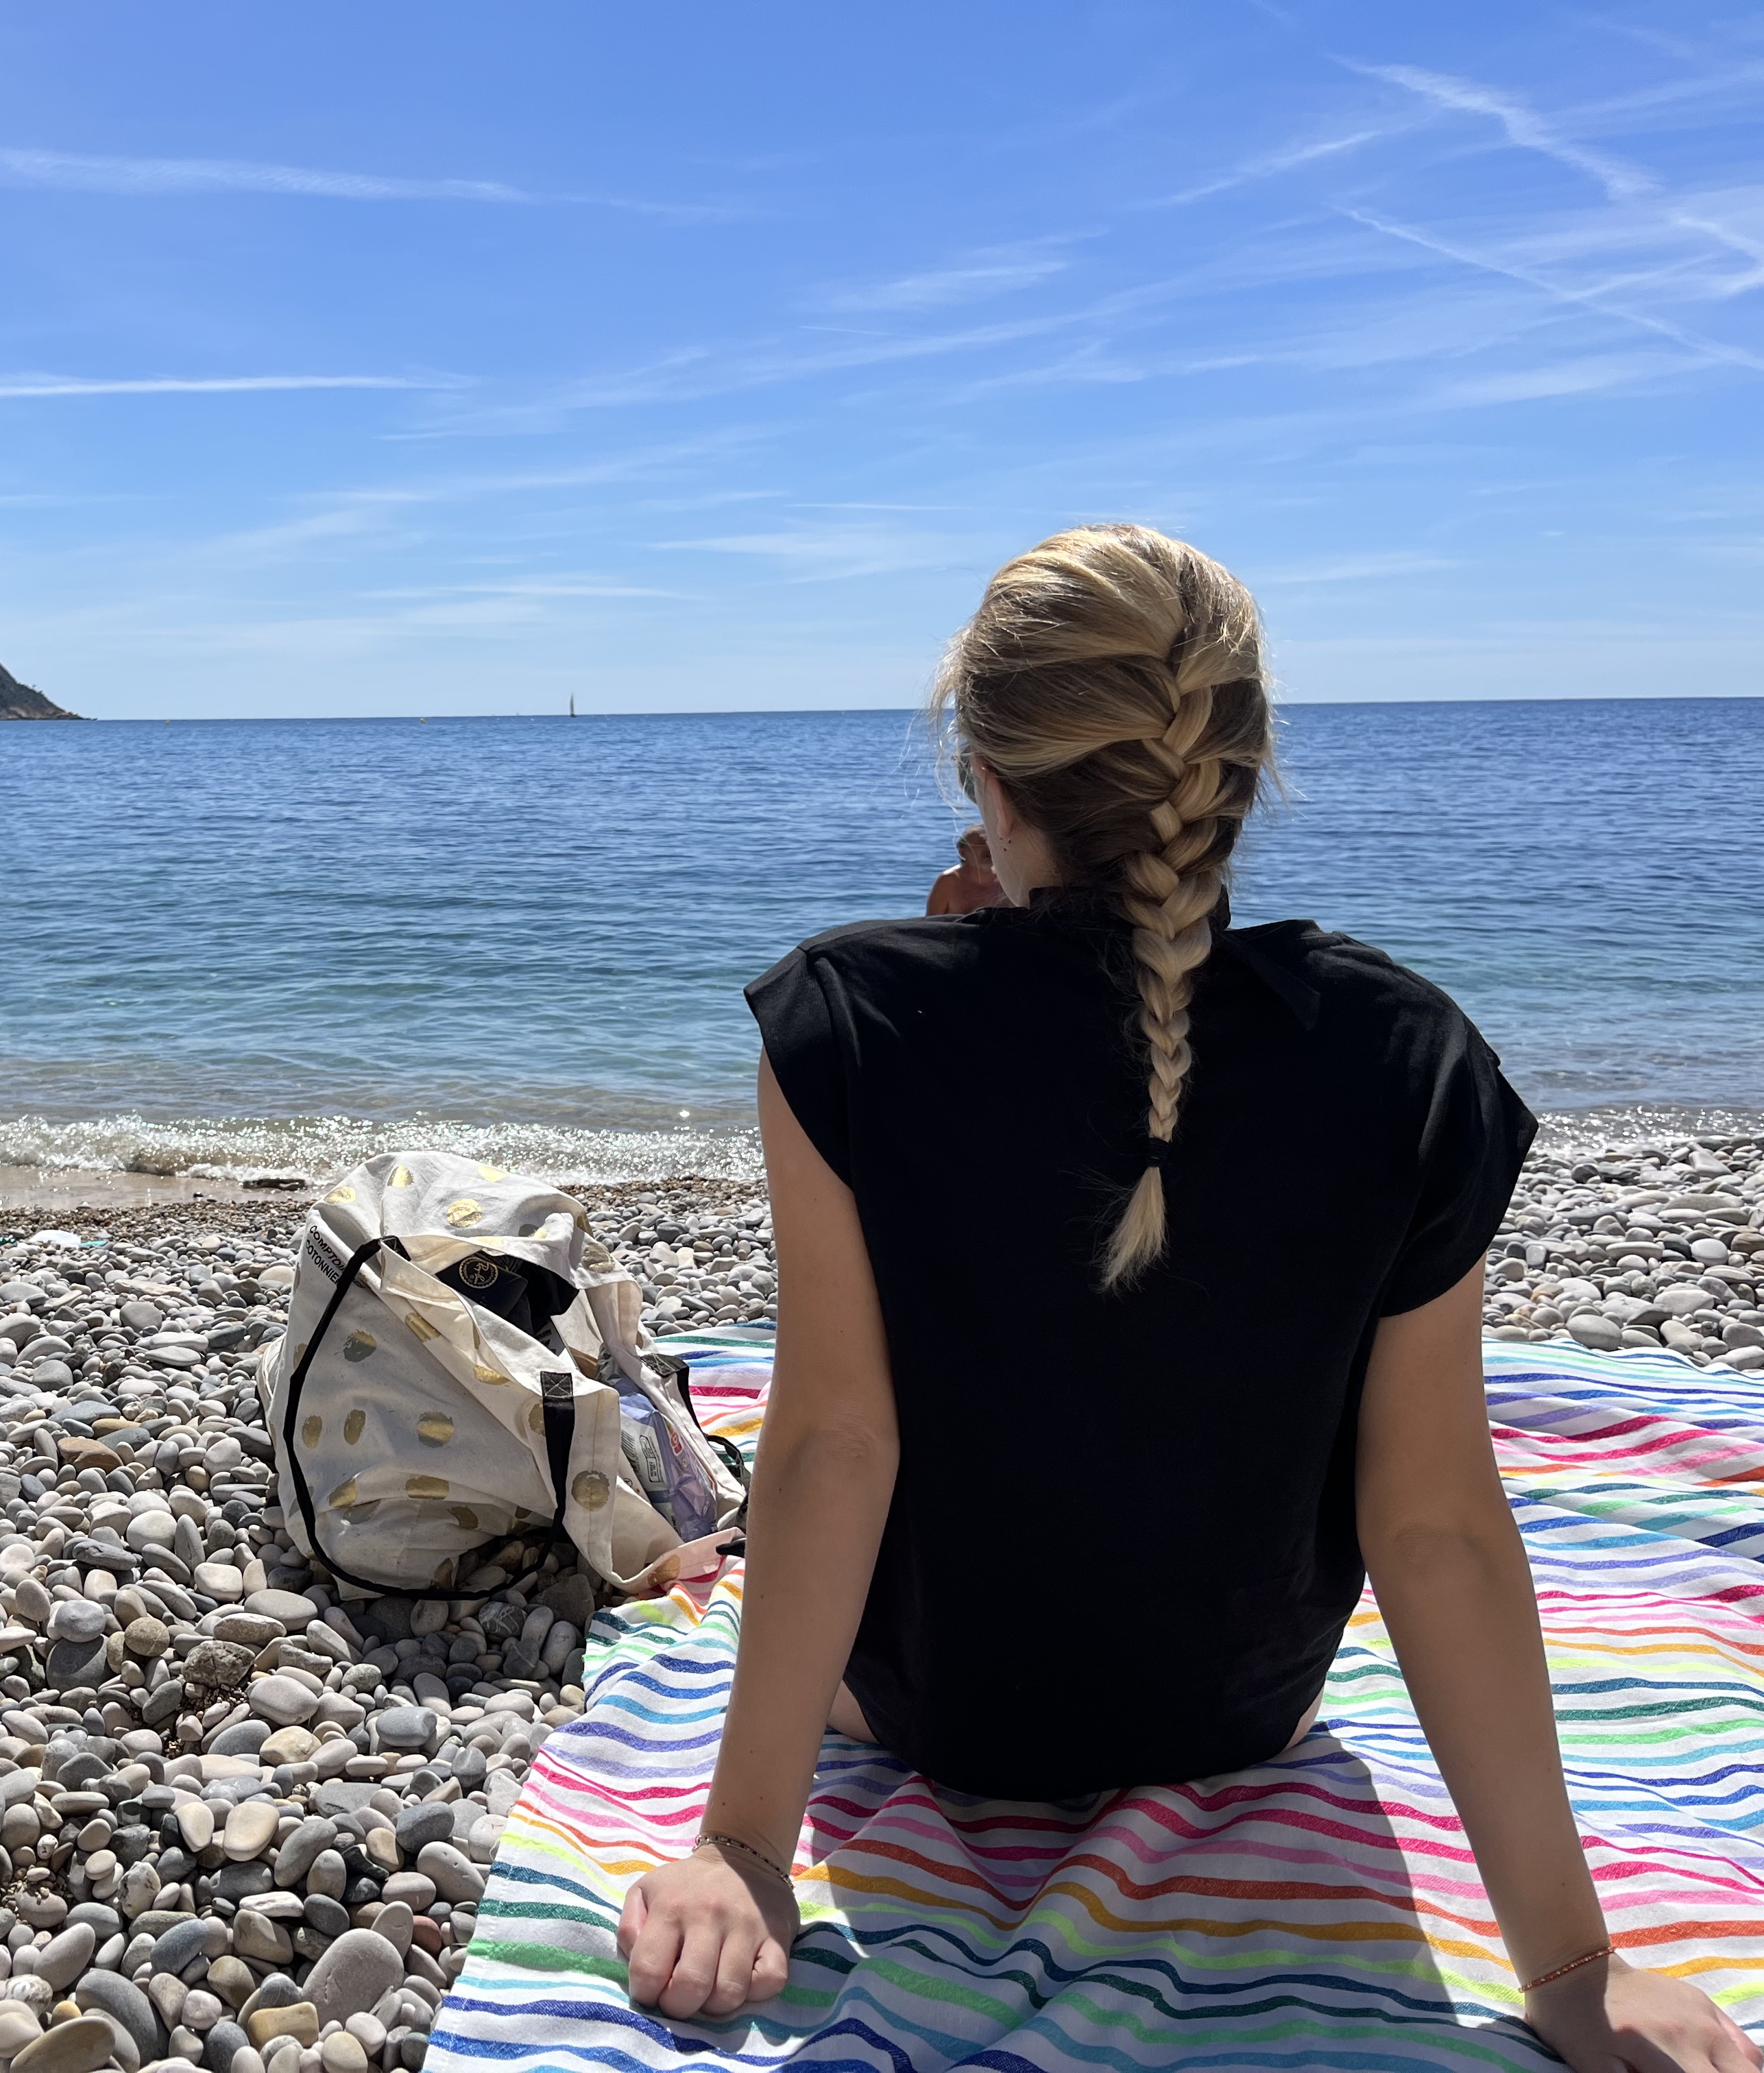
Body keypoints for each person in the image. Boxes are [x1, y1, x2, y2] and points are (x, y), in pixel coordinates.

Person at [618, 525, 1756, 2073]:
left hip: (930, 1710)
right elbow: (1431, 1520)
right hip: (1237, 1712)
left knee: (770, 1482)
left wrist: (746, 1847)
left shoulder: (852, 1020)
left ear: (985, 779)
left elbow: (837, 1443)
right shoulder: (1408, 1053)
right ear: (1238, 771)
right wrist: (1570, 1963)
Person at [924, 824, 1006, 914]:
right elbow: (931, 920)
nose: (988, 848)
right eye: (980, 844)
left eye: (991, 843)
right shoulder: (949, 881)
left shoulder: (1006, 880)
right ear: (963, 853)